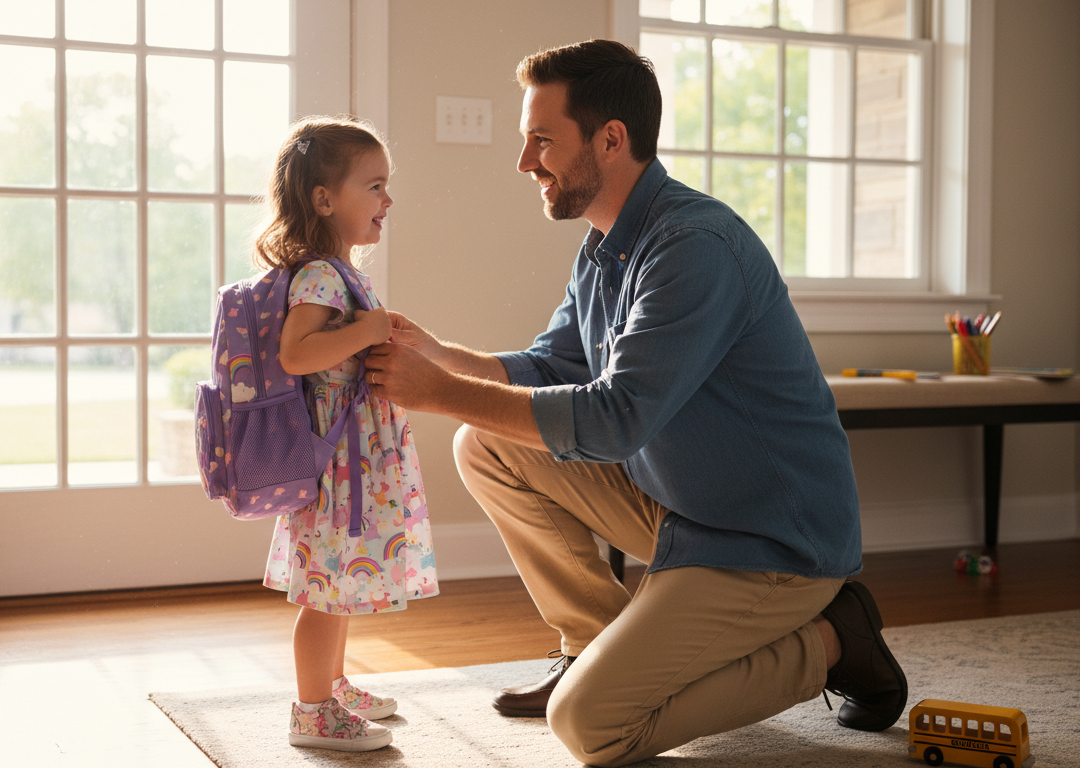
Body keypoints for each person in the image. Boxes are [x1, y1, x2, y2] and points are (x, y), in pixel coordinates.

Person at [364, 40, 907, 766]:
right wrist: (442, 357)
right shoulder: (605, 246)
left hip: (774, 543)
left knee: (591, 727)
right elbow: (554, 364)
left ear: (611, 139)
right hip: (688, 509)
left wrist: (441, 393)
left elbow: (616, 416)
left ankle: (834, 642)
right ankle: (591, 643)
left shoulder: (693, 247)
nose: (526, 162)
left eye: (542, 140)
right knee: (484, 440)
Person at [249, 116, 438, 752]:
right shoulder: (321, 275)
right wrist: (368, 328)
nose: (388, 201)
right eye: (376, 186)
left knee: (341, 583)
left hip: (353, 459)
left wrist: (377, 329)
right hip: (338, 467)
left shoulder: (338, 271)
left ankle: (330, 684)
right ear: (325, 199)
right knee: (326, 593)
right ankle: (311, 711)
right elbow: (297, 353)